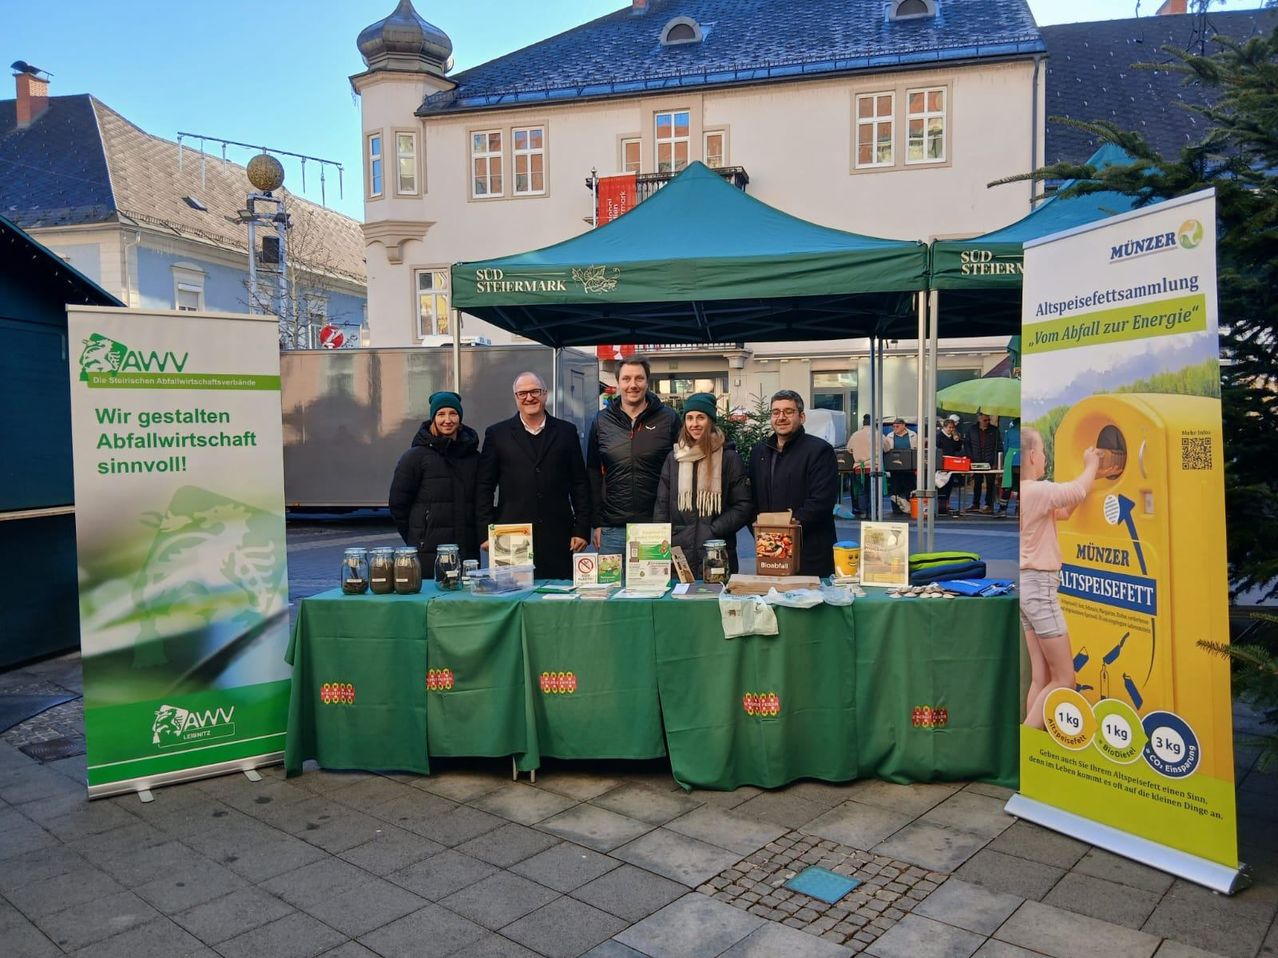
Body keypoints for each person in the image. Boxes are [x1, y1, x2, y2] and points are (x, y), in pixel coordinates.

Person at [1020, 427, 1101, 729]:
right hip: (1041, 588)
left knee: (1041, 677)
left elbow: (1064, 511)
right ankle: (1026, 741)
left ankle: (1032, 754)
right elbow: (1076, 491)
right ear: (1031, 455)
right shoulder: (1038, 491)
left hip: (1027, 589)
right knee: (1065, 679)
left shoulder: (1028, 496)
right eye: (1042, 451)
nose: (1044, 457)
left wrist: (1085, 481)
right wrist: (1091, 464)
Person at [476, 372, 591, 580]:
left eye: (535, 391)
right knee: (511, 596)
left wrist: (582, 528)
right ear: (516, 398)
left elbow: (579, 483)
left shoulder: (566, 432)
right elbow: (484, 487)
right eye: (522, 393)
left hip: (558, 535)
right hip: (510, 535)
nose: (529, 397)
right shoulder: (497, 434)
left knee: (557, 600)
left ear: (545, 394)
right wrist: (486, 532)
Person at [586, 355, 681, 556]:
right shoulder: (601, 421)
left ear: (647, 381)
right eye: (626, 379)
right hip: (613, 529)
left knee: (655, 588)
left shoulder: (668, 419)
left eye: (639, 378)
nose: (633, 385)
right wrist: (597, 523)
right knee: (611, 588)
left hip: (656, 526)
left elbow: (681, 469)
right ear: (618, 382)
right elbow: (593, 472)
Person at [653, 392, 752, 578]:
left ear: (711, 421)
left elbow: (743, 505)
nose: (694, 424)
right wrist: (662, 541)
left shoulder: (729, 458)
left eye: (701, 417)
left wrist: (713, 529)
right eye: (689, 418)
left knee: (715, 603)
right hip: (679, 551)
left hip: (717, 549)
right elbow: (662, 506)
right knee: (680, 603)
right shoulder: (674, 458)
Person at [388, 390, 480, 574]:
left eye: (453, 413)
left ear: (460, 417)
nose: (447, 420)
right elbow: (398, 504)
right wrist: (418, 537)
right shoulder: (415, 457)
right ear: (433, 418)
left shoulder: (473, 457)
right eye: (441, 414)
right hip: (428, 553)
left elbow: (479, 501)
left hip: (467, 552)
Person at [749, 390, 839, 577]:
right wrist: (762, 534)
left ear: (802, 416)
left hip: (810, 554)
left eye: (788, 412)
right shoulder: (759, 453)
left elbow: (821, 502)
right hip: (769, 552)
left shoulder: (819, 450)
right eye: (775, 412)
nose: (781, 417)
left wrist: (781, 534)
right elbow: (752, 499)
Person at [964, 409, 1004, 514]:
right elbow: (967, 444)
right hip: (976, 460)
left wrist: (996, 462)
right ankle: (975, 503)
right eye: (985, 420)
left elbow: (998, 446)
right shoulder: (972, 429)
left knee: (990, 483)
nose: (987, 422)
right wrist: (970, 458)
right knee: (977, 482)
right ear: (979, 419)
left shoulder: (994, 430)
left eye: (988, 420)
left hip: (990, 461)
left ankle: (988, 505)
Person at [883, 417, 917, 515]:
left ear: (903, 426)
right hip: (895, 468)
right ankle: (896, 509)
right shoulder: (889, 436)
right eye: (893, 426)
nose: (895, 428)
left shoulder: (913, 435)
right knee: (895, 489)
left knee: (910, 488)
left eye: (897, 426)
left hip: (909, 468)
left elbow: (917, 449)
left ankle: (910, 508)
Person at [935, 414, 965, 516]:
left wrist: (958, 440)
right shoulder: (939, 436)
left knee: (950, 484)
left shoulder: (954, 436)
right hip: (941, 462)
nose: (951, 430)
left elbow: (958, 448)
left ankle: (946, 504)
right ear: (944, 427)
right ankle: (941, 505)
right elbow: (937, 446)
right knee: (941, 485)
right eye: (949, 428)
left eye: (953, 428)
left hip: (951, 463)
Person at [846, 413, 875, 517]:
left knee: (862, 491)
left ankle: (863, 512)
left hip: (859, 468)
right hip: (874, 468)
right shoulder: (877, 434)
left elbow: (849, 449)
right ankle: (873, 512)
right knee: (873, 491)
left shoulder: (855, 435)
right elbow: (887, 447)